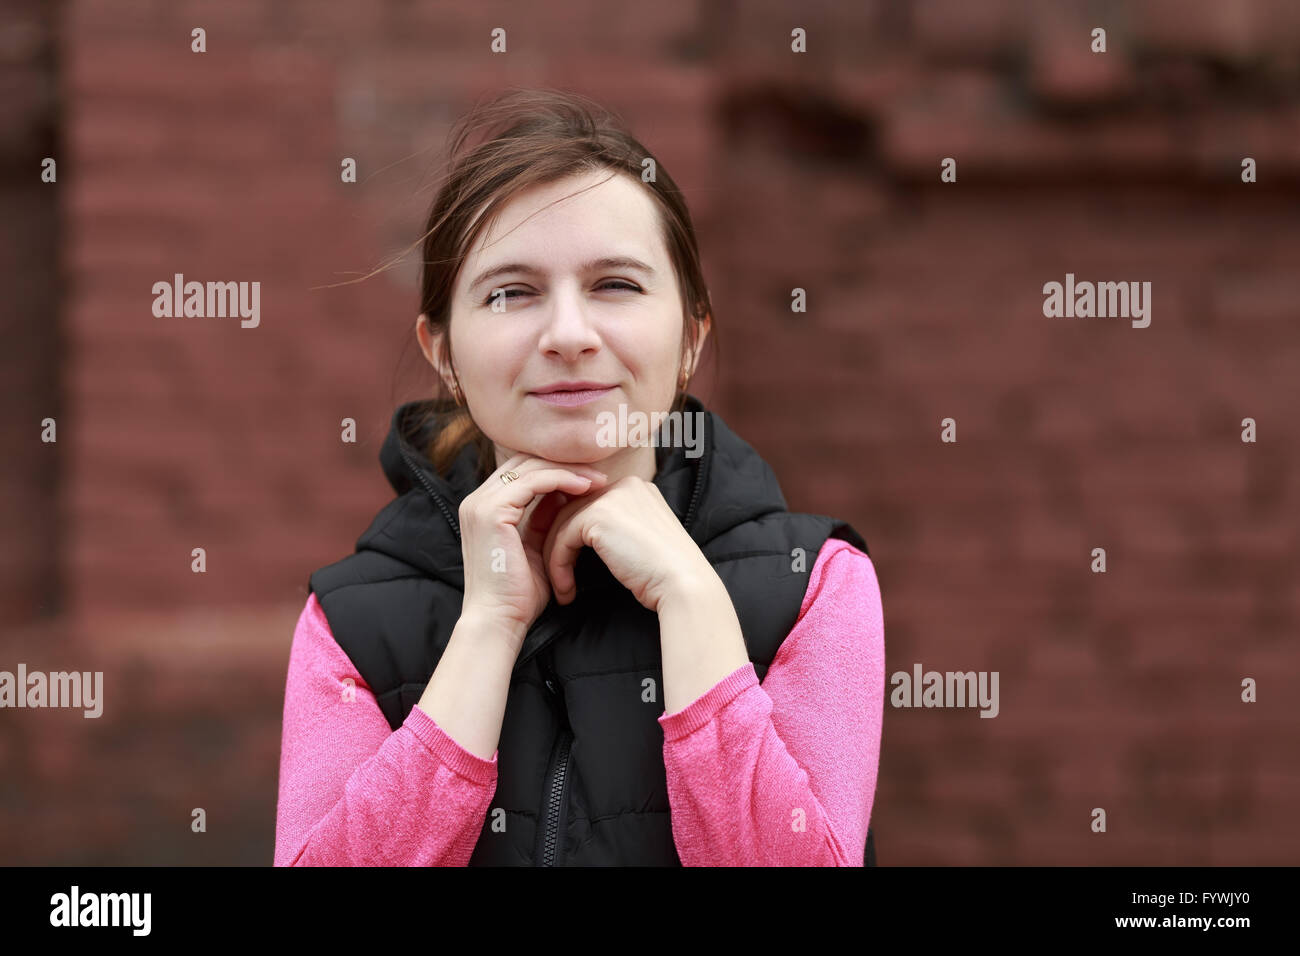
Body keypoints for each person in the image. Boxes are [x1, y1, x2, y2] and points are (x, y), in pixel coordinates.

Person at [273, 88, 885, 866]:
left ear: (692, 335)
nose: (567, 334)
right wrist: (487, 630)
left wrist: (691, 601)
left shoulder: (816, 588)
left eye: (616, 285)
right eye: (511, 293)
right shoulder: (352, 622)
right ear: (442, 353)